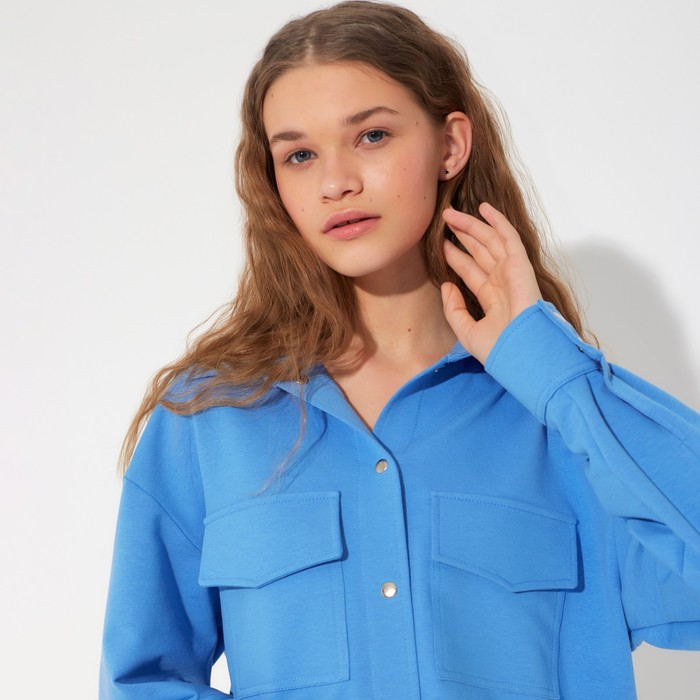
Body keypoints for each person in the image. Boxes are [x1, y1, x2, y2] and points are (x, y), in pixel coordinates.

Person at [99, 2, 700, 698]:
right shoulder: (208, 420)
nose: (336, 183)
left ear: (451, 145)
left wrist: (554, 372)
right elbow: (143, 680)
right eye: (299, 155)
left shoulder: (563, 422)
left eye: (373, 136)